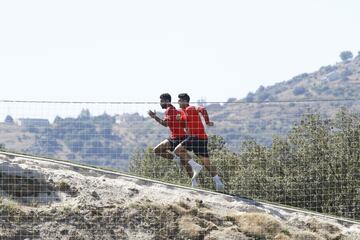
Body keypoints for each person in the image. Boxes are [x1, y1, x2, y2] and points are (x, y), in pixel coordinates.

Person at [148, 93, 202, 185]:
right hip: (178, 136)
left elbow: (165, 124)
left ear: (166, 101)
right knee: (185, 162)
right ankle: (194, 182)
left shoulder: (169, 110)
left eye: (161, 101)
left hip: (177, 137)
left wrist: (155, 117)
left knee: (157, 150)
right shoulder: (173, 110)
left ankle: (180, 161)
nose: (160, 103)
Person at [174, 93, 225, 191]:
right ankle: (219, 183)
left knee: (177, 150)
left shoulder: (191, 108)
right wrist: (180, 120)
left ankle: (195, 166)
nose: (178, 102)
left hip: (196, 137)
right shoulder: (184, 112)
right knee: (206, 163)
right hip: (201, 138)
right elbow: (185, 126)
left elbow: (203, 109)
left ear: (185, 101)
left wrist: (207, 122)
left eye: (179, 100)